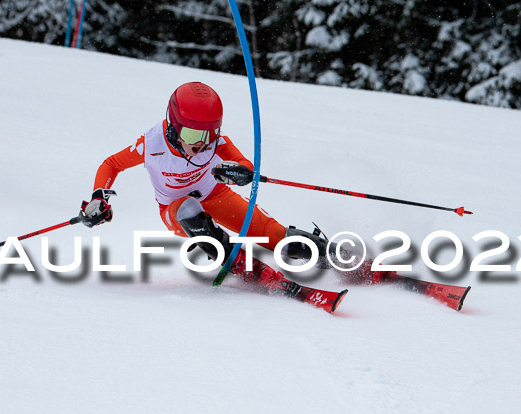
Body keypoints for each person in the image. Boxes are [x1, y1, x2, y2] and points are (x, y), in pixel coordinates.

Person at [79, 82, 380, 289]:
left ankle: (337, 258)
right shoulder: (152, 144)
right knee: (188, 210)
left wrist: (241, 172)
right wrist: (98, 198)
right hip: (174, 210)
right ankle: (235, 260)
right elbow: (111, 164)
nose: (202, 145)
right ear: (172, 124)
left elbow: (244, 164)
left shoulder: (213, 142)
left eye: (209, 135)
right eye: (194, 136)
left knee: (271, 233)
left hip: (215, 193)